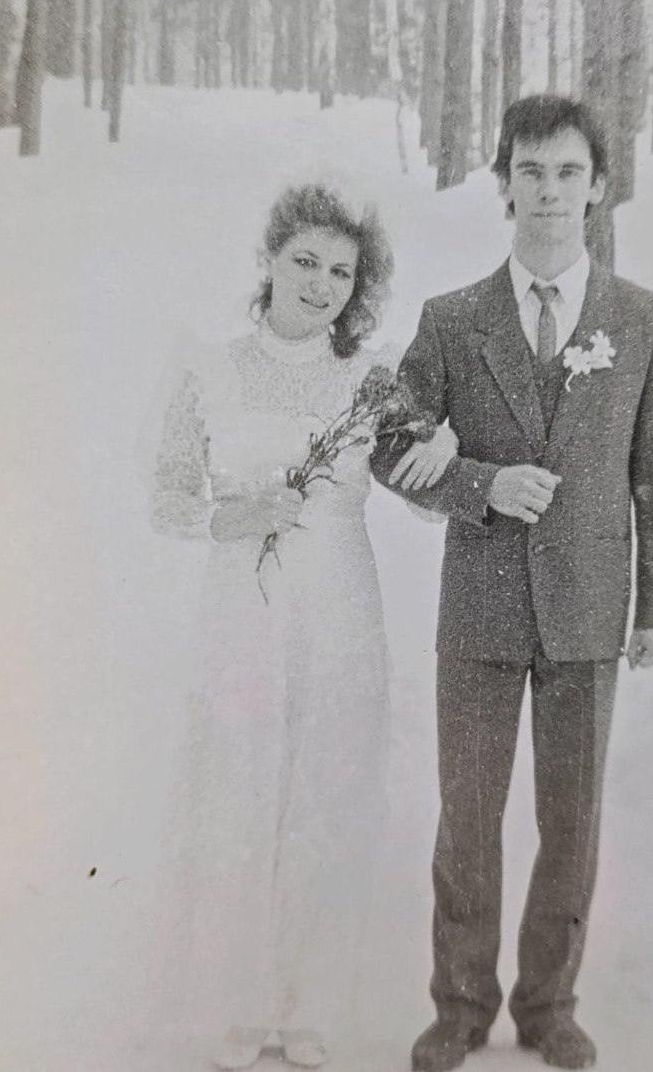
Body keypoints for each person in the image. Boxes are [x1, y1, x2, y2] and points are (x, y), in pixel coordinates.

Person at [370, 94, 653, 1071]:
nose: (549, 191)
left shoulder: (642, 320)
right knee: (467, 818)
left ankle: (549, 1005)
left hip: (589, 609)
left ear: (598, 188)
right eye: (531, 172)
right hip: (479, 608)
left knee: (571, 822)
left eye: (568, 173)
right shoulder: (453, 319)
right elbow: (388, 442)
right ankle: (460, 1005)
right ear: (503, 185)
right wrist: (479, 485)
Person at [149, 182, 456, 1070]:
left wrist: (441, 449)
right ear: (270, 260)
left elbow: (425, 492)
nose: (321, 285)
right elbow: (170, 495)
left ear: (358, 287)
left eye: (341, 273)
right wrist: (235, 515)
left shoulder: (372, 380)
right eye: (305, 262)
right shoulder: (209, 370)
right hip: (243, 607)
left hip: (338, 606)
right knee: (240, 786)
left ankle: (308, 1001)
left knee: (327, 788)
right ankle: (237, 1004)